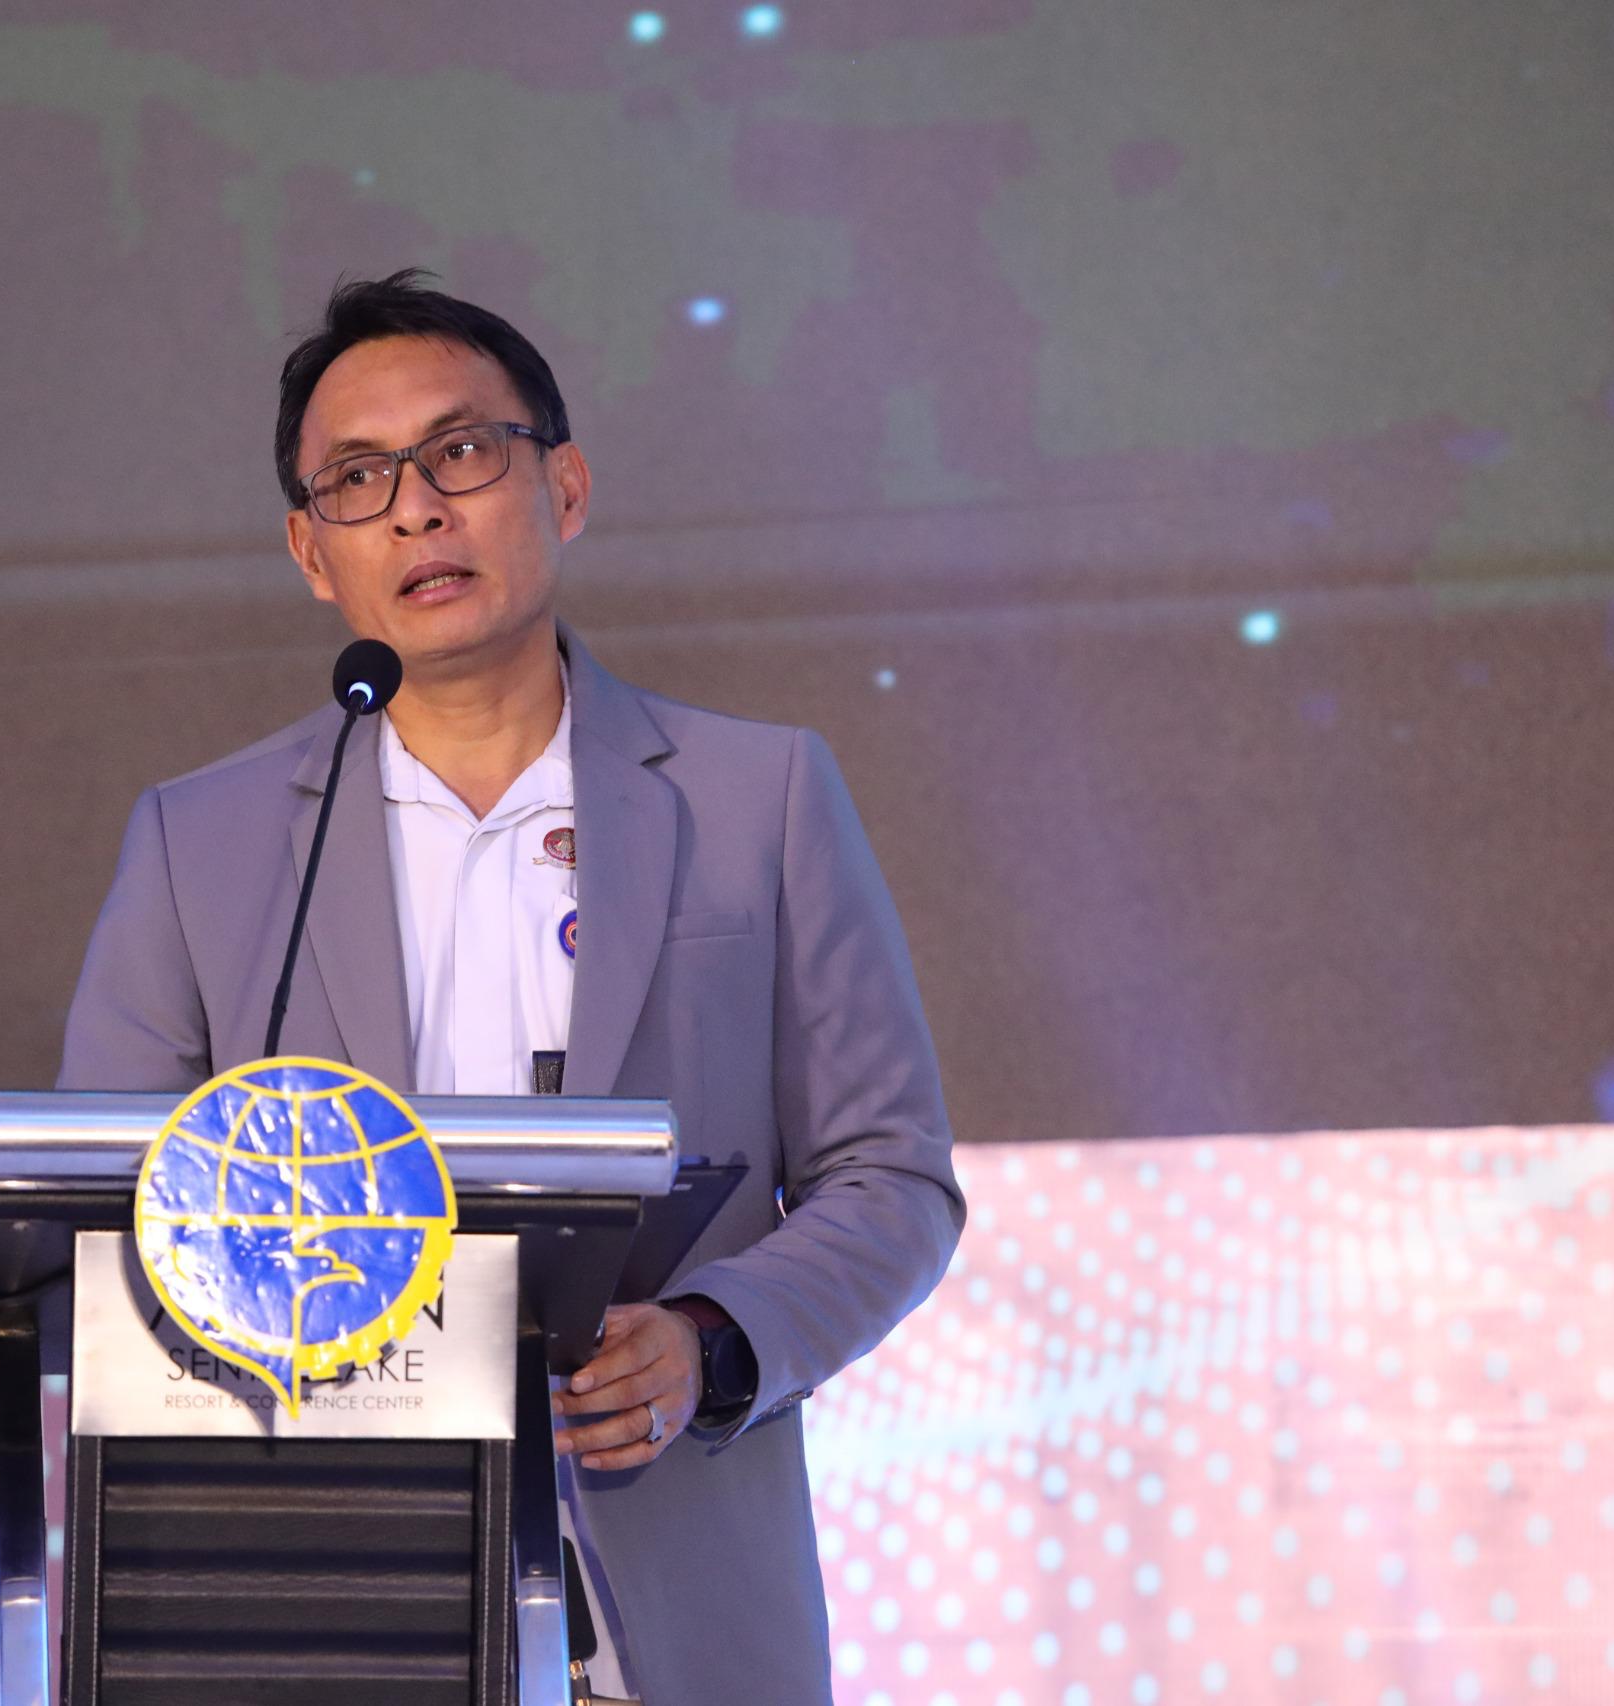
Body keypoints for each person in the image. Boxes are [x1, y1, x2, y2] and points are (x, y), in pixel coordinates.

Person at [58, 270, 964, 1706]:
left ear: (567, 486)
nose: (417, 510)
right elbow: (104, 1220)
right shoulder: (203, 844)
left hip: (669, 1601)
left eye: (461, 453)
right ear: (310, 551)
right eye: (358, 480)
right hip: (324, 1597)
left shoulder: (757, 798)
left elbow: (891, 1177)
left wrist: (713, 1342)